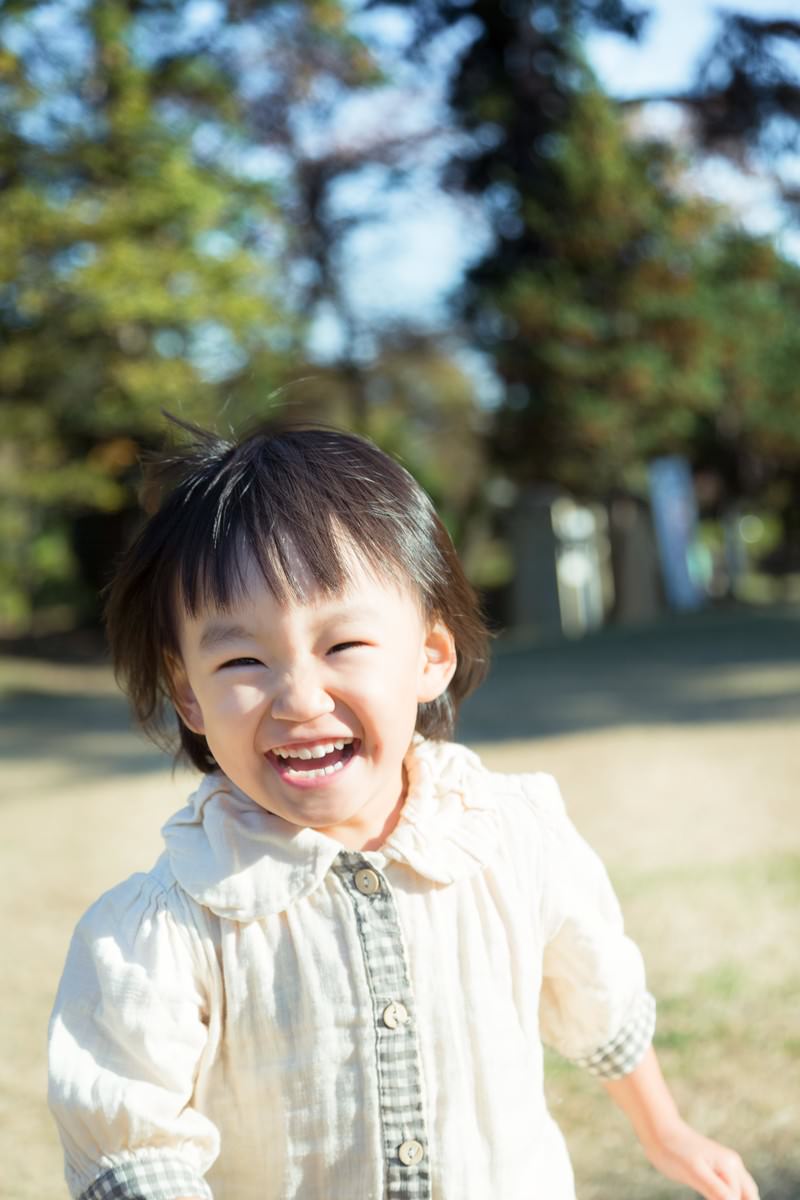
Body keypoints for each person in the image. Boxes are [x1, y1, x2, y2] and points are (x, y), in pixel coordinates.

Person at [48, 420, 758, 1200]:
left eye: (343, 645)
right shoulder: (166, 931)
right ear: (189, 694)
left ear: (430, 656)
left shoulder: (509, 839)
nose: (299, 698)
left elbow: (600, 998)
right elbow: (135, 1153)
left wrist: (666, 1130)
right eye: (243, 660)